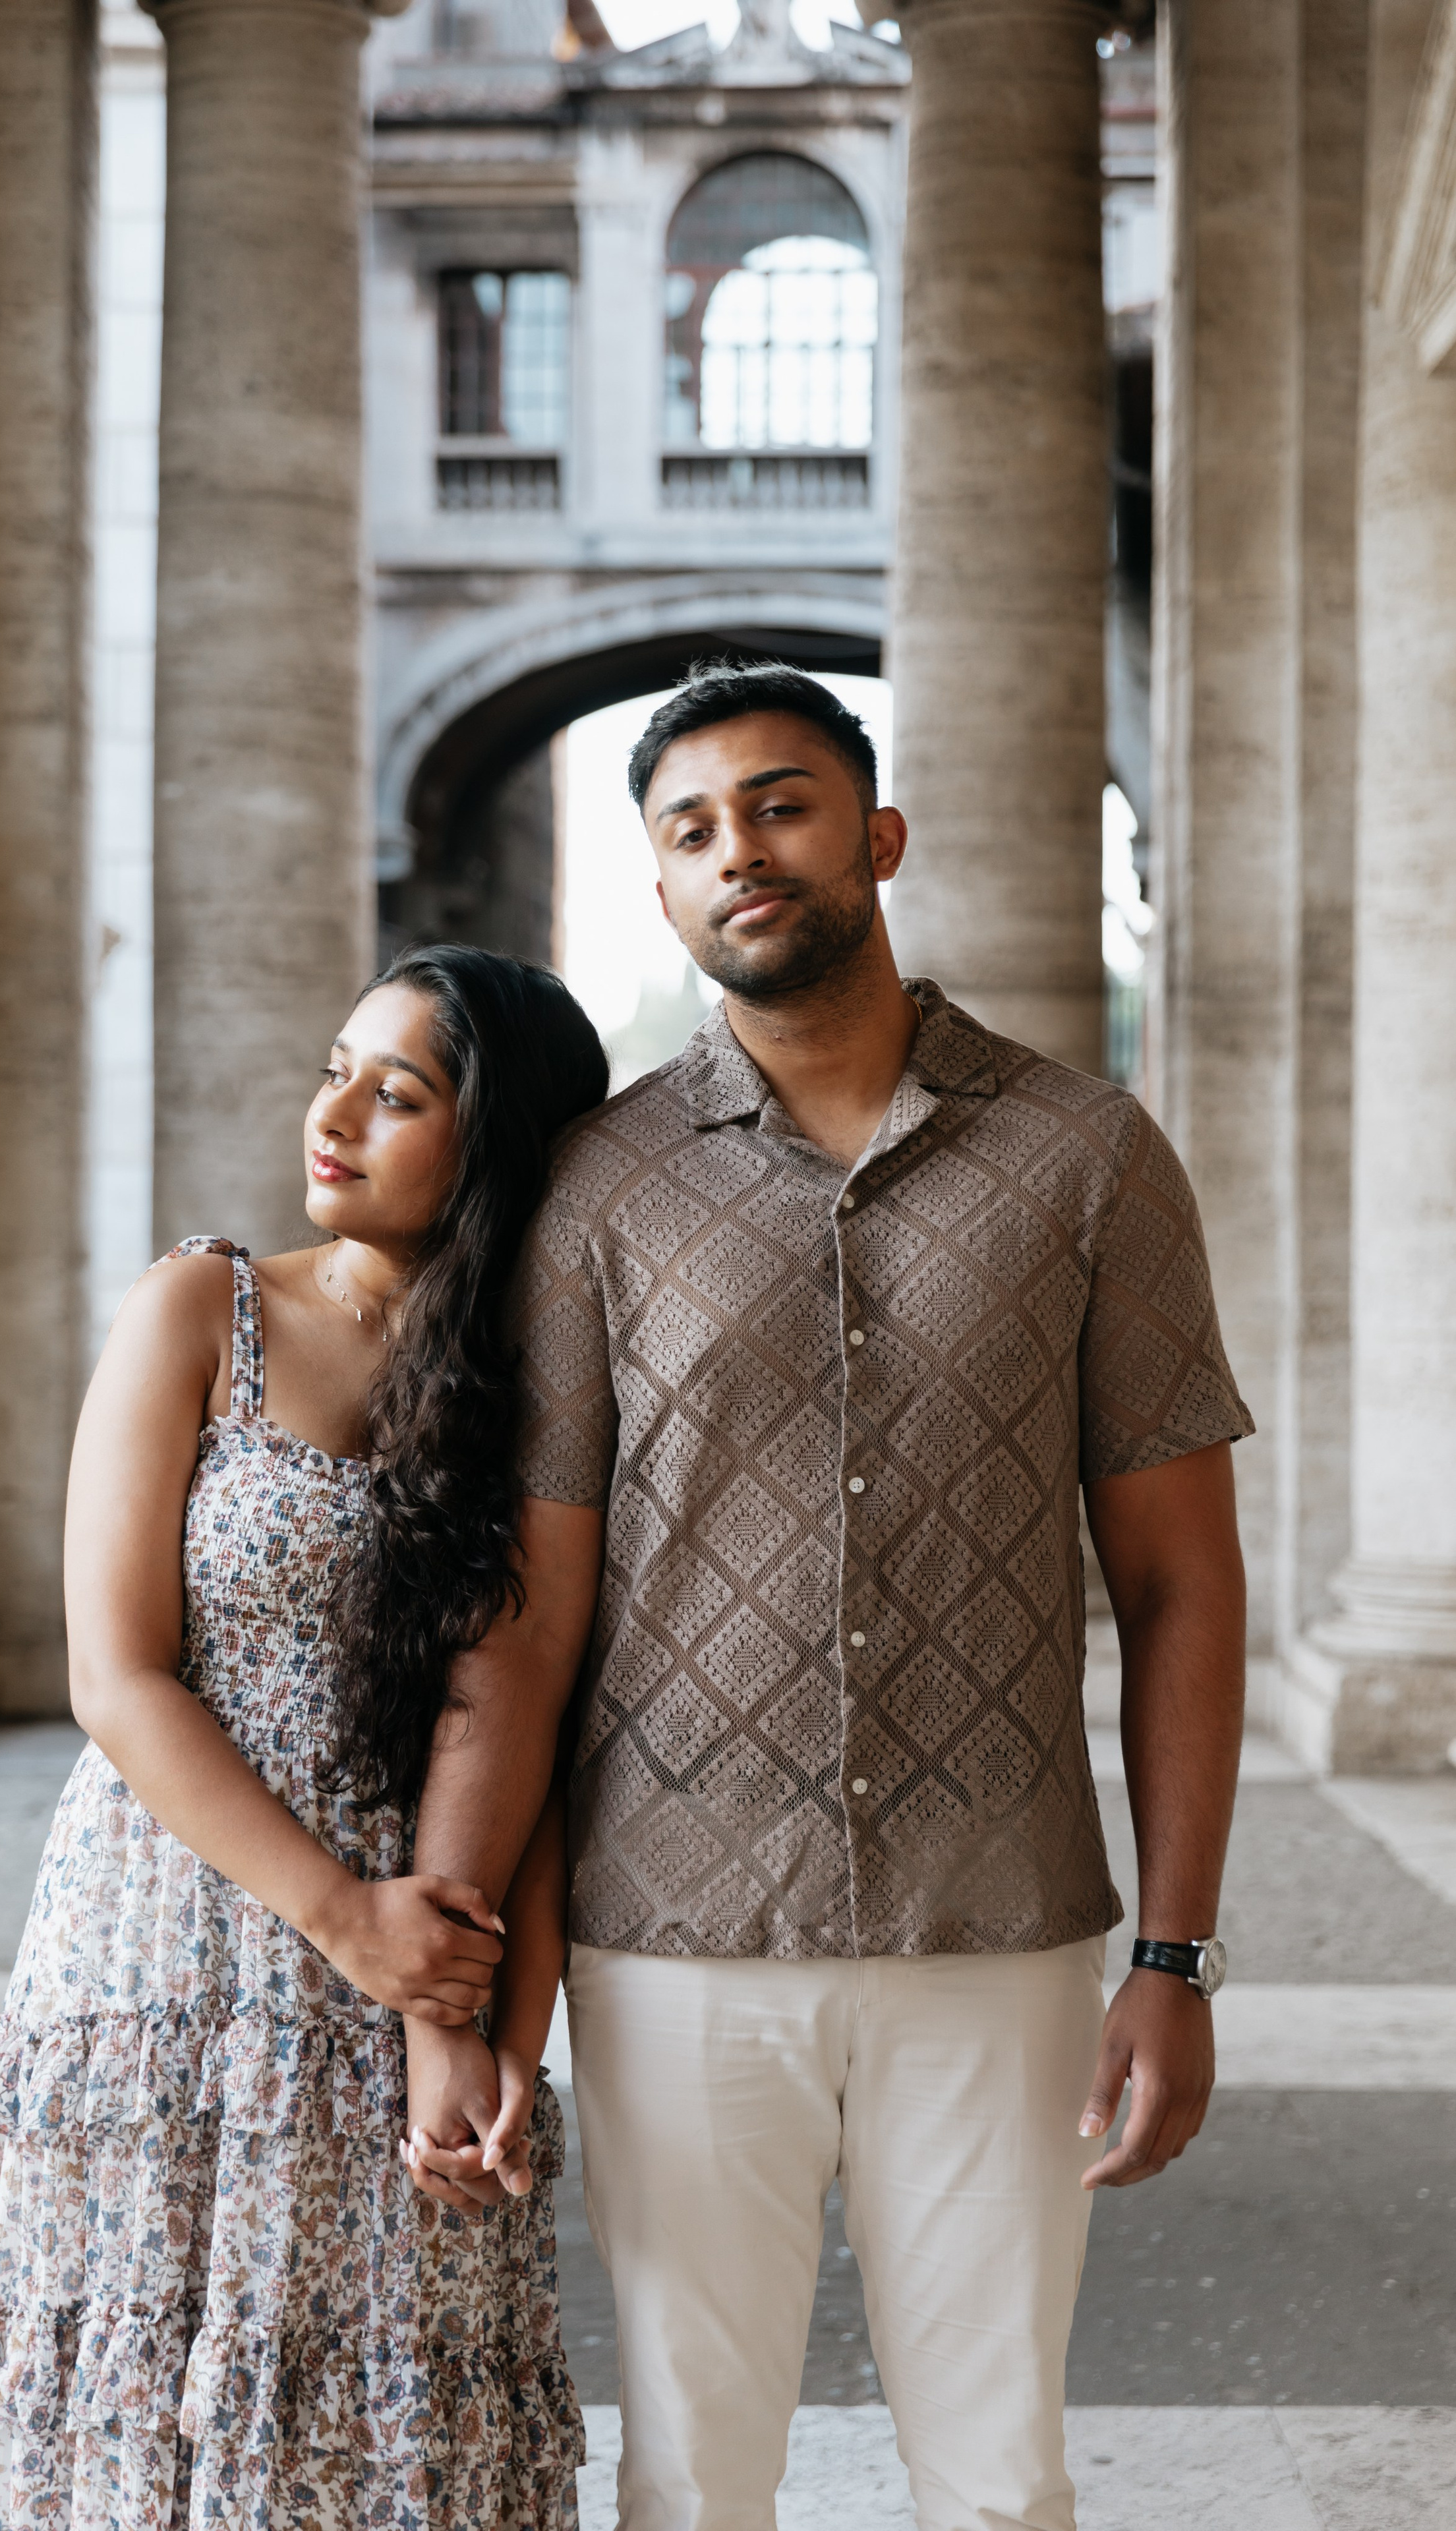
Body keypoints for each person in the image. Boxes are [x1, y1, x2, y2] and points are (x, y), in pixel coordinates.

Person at [401, 664, 1252, 2531]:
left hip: (999, 1928)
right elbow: (530, 1618)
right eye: (692, 831)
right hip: (674, 1935)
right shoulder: (600, 1188)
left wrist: (1175, 1960)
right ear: (659, 891)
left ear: (875, 836)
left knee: (999, 2475)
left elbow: (1181, 1582)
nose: (741, 852)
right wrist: (459, 2001)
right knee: (692, 2479)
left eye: (779, 806)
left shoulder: (1086, 1157)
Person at [0, 945, 608, 2531]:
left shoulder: (538, 1389)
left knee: (388, 2443)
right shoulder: (202, 1307)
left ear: (495, 1141)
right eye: (334, 1070)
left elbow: (534, 1714)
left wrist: (503, 2019)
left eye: (399, 1093)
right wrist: (345, 1921)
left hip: (407, 1968)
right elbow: (117, 1676)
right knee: (131, 2427)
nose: (335, 1115)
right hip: (164, 1938)